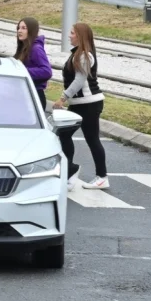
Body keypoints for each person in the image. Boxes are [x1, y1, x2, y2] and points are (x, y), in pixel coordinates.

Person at [54, 23, 108, 191]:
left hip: (89, 104)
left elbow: (79, 80)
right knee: (64, 135)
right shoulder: (77, 54)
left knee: (92, 139)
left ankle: (102, 177)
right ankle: (70, 171)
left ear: (80, 36)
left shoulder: (85, 56)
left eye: (72, 33)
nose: (69, 36)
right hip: (79, 104)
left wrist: (62, 98)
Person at [15, 17, 53, 110]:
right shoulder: (23, 48)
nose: (19, 31)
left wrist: (22, 70)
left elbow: (46, 71)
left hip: (35, 96)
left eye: (24, 28)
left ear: (31, 30)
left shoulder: (36, 49)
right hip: (25, 94)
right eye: (18, 28)